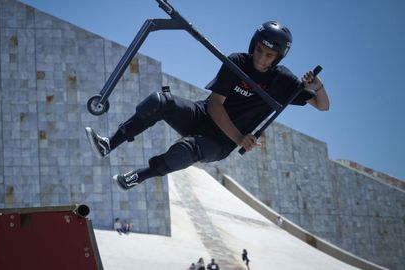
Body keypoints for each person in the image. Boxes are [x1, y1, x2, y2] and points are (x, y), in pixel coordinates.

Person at [86, 21, 330, 190]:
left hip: (219, 143)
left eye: (268, 55)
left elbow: (323, 107)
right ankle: (109, 143)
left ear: (278, 58)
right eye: (259, 50)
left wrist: (318, 86)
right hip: (202, 116)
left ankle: (138, 177)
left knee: (185, 150)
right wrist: (240, 138)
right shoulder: (237, 62)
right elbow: (215, 105)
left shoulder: (284, 81)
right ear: (253, 44)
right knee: (160, 102)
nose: (260, 57)